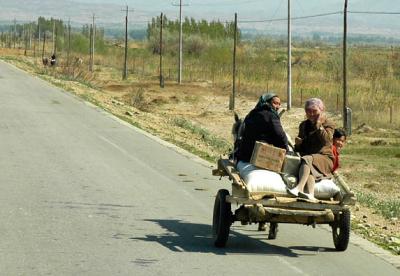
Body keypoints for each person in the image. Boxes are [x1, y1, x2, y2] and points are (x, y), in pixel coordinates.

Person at [287, 98, 335, 200]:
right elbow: (300, 149)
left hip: (324, 158)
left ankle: (299, 188)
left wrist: (319, 125)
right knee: (308, 171)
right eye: (308, 111)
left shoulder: (328, 124)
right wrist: (298, 144)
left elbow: (326, 141)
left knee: (307, 159)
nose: (311, 114)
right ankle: (310, 195)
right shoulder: (303, 125)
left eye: (314, 111)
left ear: (321, 111)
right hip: (309, 159)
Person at [235, 92, 289, 163]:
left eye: (279, 104)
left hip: (245, 153)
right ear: (267, 102)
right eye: (275, 103)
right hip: (260, 154)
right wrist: (286, 149)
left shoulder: (252, 113)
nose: (278, 106)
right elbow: (280, 135)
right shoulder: (271, 116)